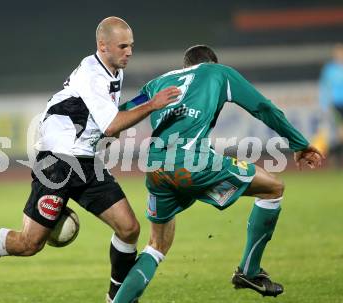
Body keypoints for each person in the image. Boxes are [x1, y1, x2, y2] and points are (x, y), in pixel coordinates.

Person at [0, 16, 180, 302]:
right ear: (103, 46)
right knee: (29, 243)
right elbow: (111, 124)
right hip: (57, 160)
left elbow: (107, 117)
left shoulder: (114, 70)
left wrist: (133, 108)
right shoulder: (92, 73)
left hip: (84, 160)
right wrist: (151, 104)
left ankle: (115, 298)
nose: (129, 52)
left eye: (131, 45)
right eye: (123, 46)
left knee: (129, 228)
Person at [113, 45, 324, 302]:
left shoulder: (158, 83)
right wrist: (299, 143)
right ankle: (249, 270)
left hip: (156, 169)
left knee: (155, 247)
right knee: (273, 189)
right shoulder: (219, 73)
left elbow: (120, 113)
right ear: (211, 62)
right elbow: (262, 107)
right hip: (193, 163)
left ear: (185, 65)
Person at [317, 43, 343, 166]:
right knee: (340, 132)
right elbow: (324, 87)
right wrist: (324, 104)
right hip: (336, 104)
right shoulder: (330, 69)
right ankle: (336, 157)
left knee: (340, 133)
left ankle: (335, 156)